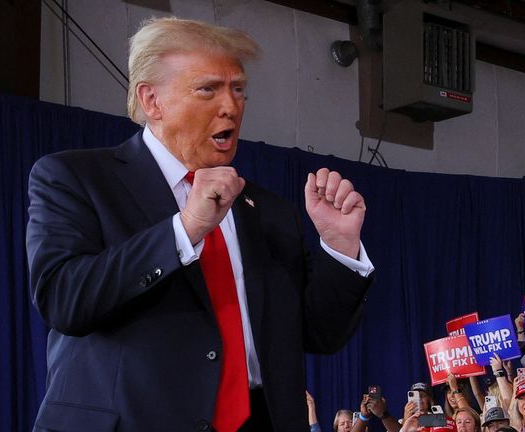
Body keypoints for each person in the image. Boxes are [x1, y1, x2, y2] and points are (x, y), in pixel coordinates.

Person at [26, 17, 374, 432]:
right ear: (152, 101)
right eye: (208, 89)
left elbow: (321, 335)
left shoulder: (267, 208)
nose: (231, 106)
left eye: (238, 89)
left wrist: (340, 250)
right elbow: (64, 299)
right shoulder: (75, 178)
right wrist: (185, 229)